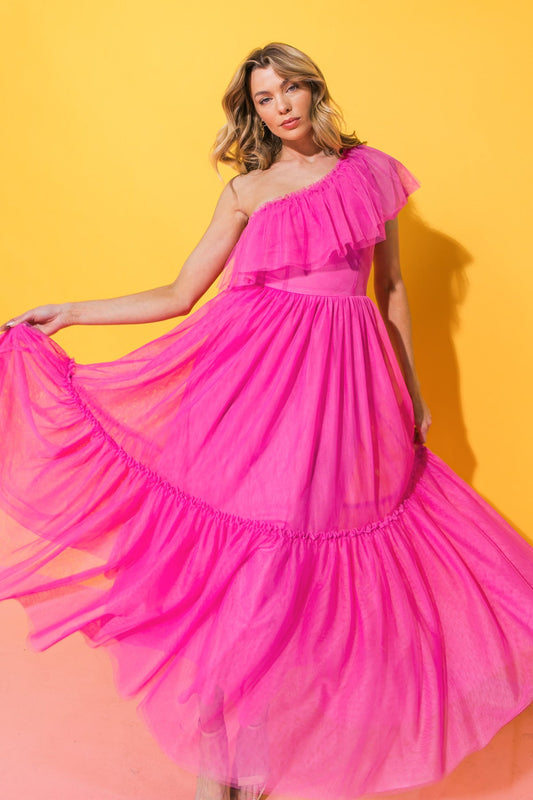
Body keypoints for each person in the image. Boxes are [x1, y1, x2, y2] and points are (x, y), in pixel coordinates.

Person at [0, 41, 532, 800]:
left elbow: (391, 291)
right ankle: (215, 771)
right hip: (252, 389)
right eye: (264, 97)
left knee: (309, 576)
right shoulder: (247, 191)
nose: (280, 106)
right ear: (251, 110)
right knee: (241, 577)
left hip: (348, 395)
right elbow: (181, 293)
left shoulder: (369, 172)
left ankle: (259, 762)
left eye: (290, 89)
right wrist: (72, 312)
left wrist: (411, 390)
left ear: (314, 92)